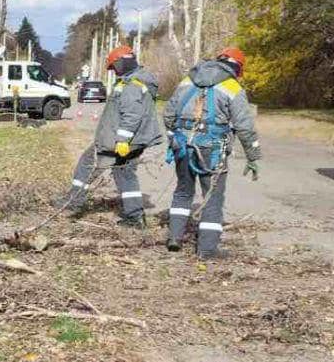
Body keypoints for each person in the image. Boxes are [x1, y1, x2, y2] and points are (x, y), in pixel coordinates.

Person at [163, 47, 261, 259]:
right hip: (213, 148)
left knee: (182, 192)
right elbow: (244, 126)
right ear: (237, 67)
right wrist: (253, 157)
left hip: (182, 144)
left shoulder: (189, 79)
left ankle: (174, 238)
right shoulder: (232, 86)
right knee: (212, 197)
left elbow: (169, 113)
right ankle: (207, 249)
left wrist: (175, 135)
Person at [62, 45, 162, 227]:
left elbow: (132, 114)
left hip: (120, 141)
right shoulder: (133, 81)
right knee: (124, 173)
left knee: (87, 163)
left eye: (114, 67)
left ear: (122, 62)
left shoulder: (133, 84)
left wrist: (123, 140)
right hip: (129, 140)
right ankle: (135, 217)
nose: (114, 71)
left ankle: (73, 203)